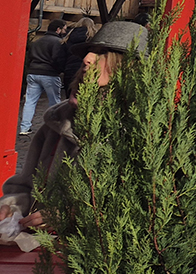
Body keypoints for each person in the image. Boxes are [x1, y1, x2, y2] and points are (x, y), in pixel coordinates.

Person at [1, 20, 146, 231]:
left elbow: (140, 211)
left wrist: (71, 216)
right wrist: (11, 206)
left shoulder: (141, 135)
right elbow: (24, 186)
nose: (87, 59)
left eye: (104, 54)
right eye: (89, 52)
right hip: (35, 251)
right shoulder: (57, 122)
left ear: (130, 70)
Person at [19, 20, 68, 135]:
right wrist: (60, 70)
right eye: (64, 29)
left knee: (30, 101)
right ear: (58, 29)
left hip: (33, 72)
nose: (65, 32)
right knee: (55, 103)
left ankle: (24, 128)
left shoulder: (37, 42)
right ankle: (54, 128)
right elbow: (57, 59)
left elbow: (29, 57)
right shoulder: (57, 42)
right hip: (50, 74)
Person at [61, 17, 98, 91]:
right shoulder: (93, 38)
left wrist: (63, 69)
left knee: (70, 95)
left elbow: (61, 56)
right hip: (87, 69)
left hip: (70, 69)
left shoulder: (68, 37)